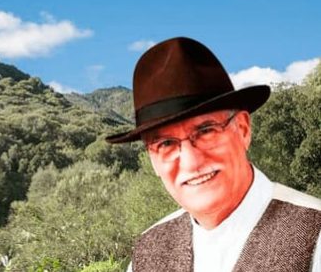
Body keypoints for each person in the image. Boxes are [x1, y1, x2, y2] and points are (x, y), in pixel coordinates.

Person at [105, 37, 321, 271]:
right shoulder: (146, 254)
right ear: (153, 160)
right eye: (166, 144)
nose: (191, 162)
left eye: (206, 131)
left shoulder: (315, 236)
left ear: (243, 129)